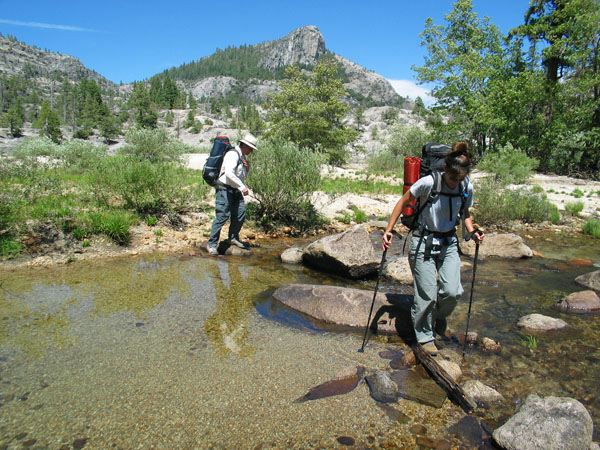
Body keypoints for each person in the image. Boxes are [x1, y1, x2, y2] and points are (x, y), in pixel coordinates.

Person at [381, 142, 484, 355]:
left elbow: (465, 214)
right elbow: (403, 202)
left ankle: (438, 317)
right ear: (445, 168)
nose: (456, 182)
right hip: (422, 242)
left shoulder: (466, 186)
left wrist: (472, 232)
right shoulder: (428, 182)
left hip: (449, 243)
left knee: (452, 292)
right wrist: (388, 230)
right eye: (453, 177)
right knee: (427, 295)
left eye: (460, 178)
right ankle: (425, 337)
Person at [207, 133, 258, 255]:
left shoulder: (242, 156)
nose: (251, 150)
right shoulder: (232, 155)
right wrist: (242, 187)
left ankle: (233, 238)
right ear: (244, 145)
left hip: (235, 190)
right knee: (222, 216)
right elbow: (229, 174)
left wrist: (248, 168)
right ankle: (212, 244)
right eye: (250, 148)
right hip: (224, 189)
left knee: (240, 213)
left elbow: (242, 174)